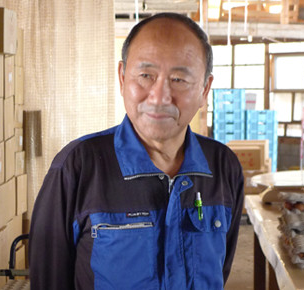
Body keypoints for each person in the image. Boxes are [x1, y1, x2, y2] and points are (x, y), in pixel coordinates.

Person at [29, 12, 244, 290]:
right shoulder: (77, 168)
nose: (159, 96)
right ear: (122, 77)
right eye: (145, 75)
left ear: (205, 89)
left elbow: (221, 269)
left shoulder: (223, 167)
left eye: (179, 79)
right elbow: (48, 280)